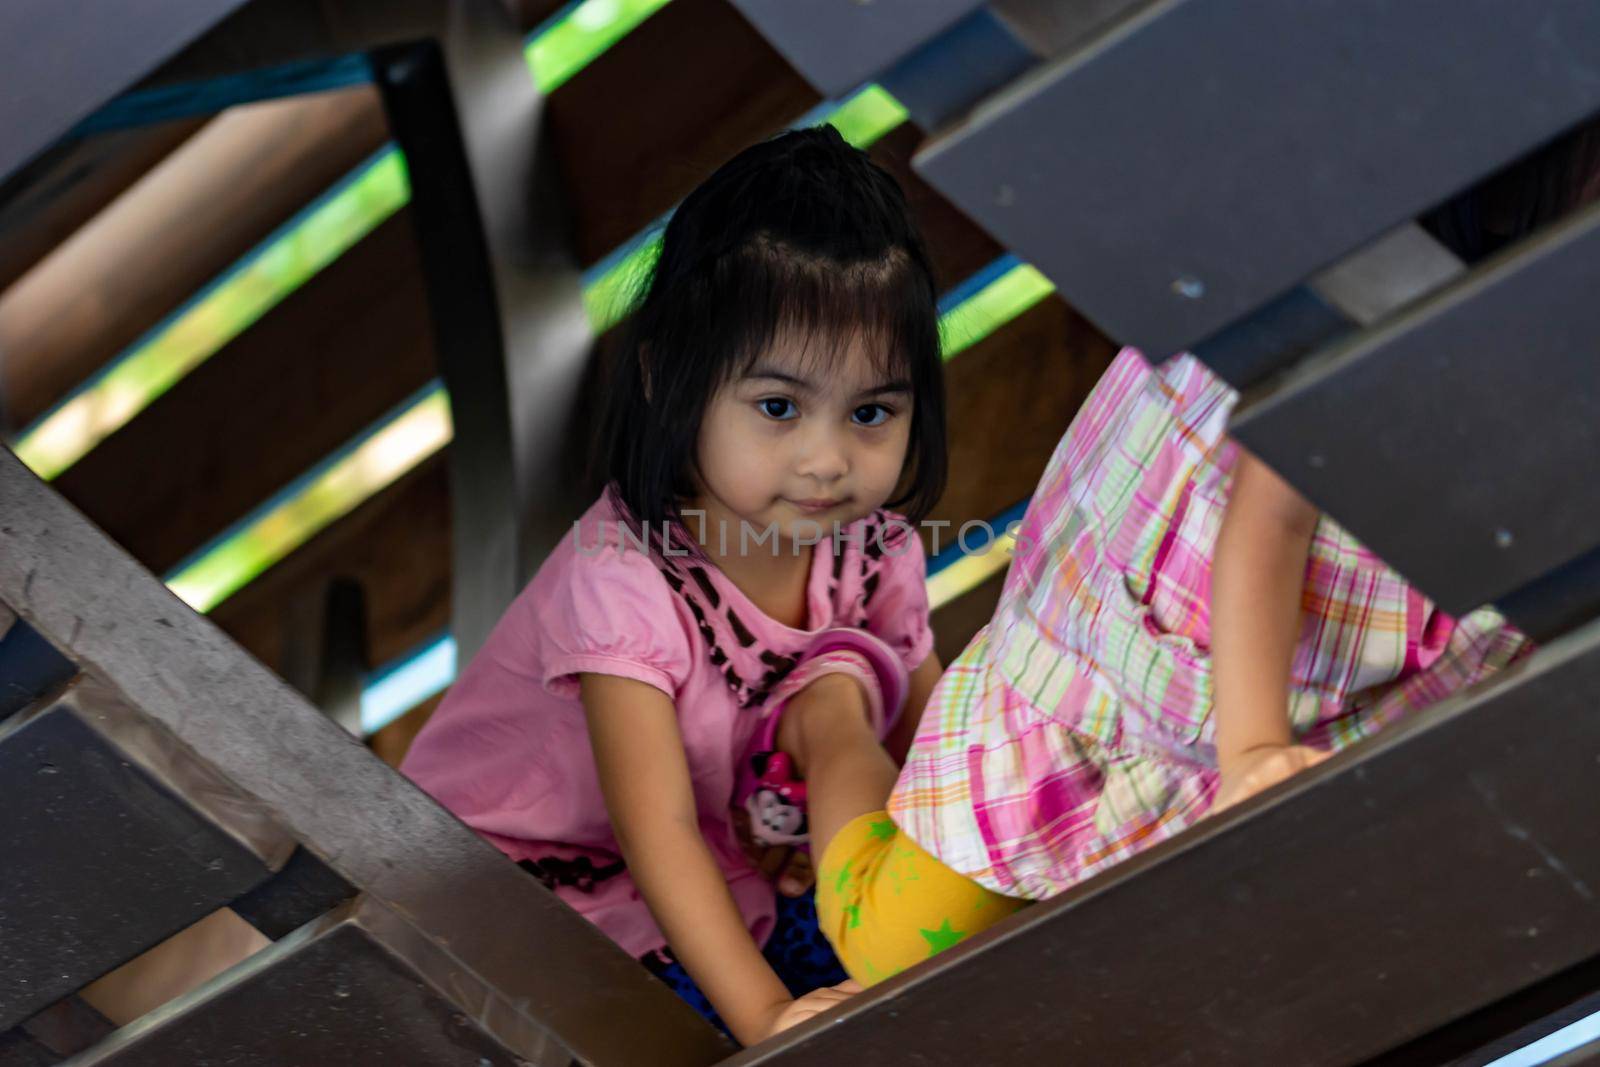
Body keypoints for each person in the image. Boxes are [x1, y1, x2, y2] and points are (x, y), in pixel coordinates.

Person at [783, 114, 1600, 987]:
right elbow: (1266, 522)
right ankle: (828, 711)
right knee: (889, 947)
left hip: (1318, 736)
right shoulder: (1375, 313)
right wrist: (1253, 752)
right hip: (1135, 705)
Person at [400, 125, 947, 1045]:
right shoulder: (621, 582)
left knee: (920, 981)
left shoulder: (875, 549)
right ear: (670, 380)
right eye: (778, 407)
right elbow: (656, 835)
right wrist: (771, 1017)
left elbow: (935, 744)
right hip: (533, 897)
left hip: (734, 867)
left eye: (871, 412)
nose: (827, 459)